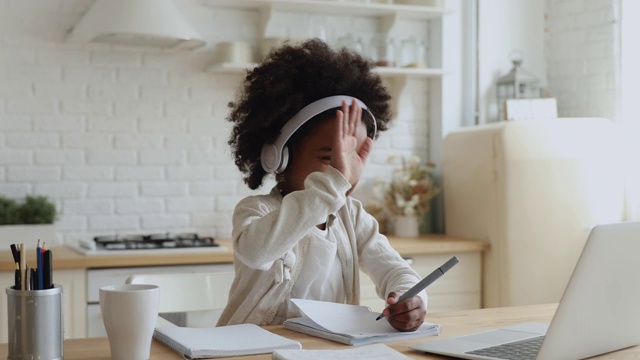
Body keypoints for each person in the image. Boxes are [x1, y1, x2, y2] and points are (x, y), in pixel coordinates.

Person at [217, 39, 426, 332]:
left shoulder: (351, 217)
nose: (344, 171)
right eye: (331, 159)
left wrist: (411, 297)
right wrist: (333, 183)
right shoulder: (257, 210)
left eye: (351, 159)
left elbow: (396, 269)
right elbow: (256, 252)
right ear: (280, 155)